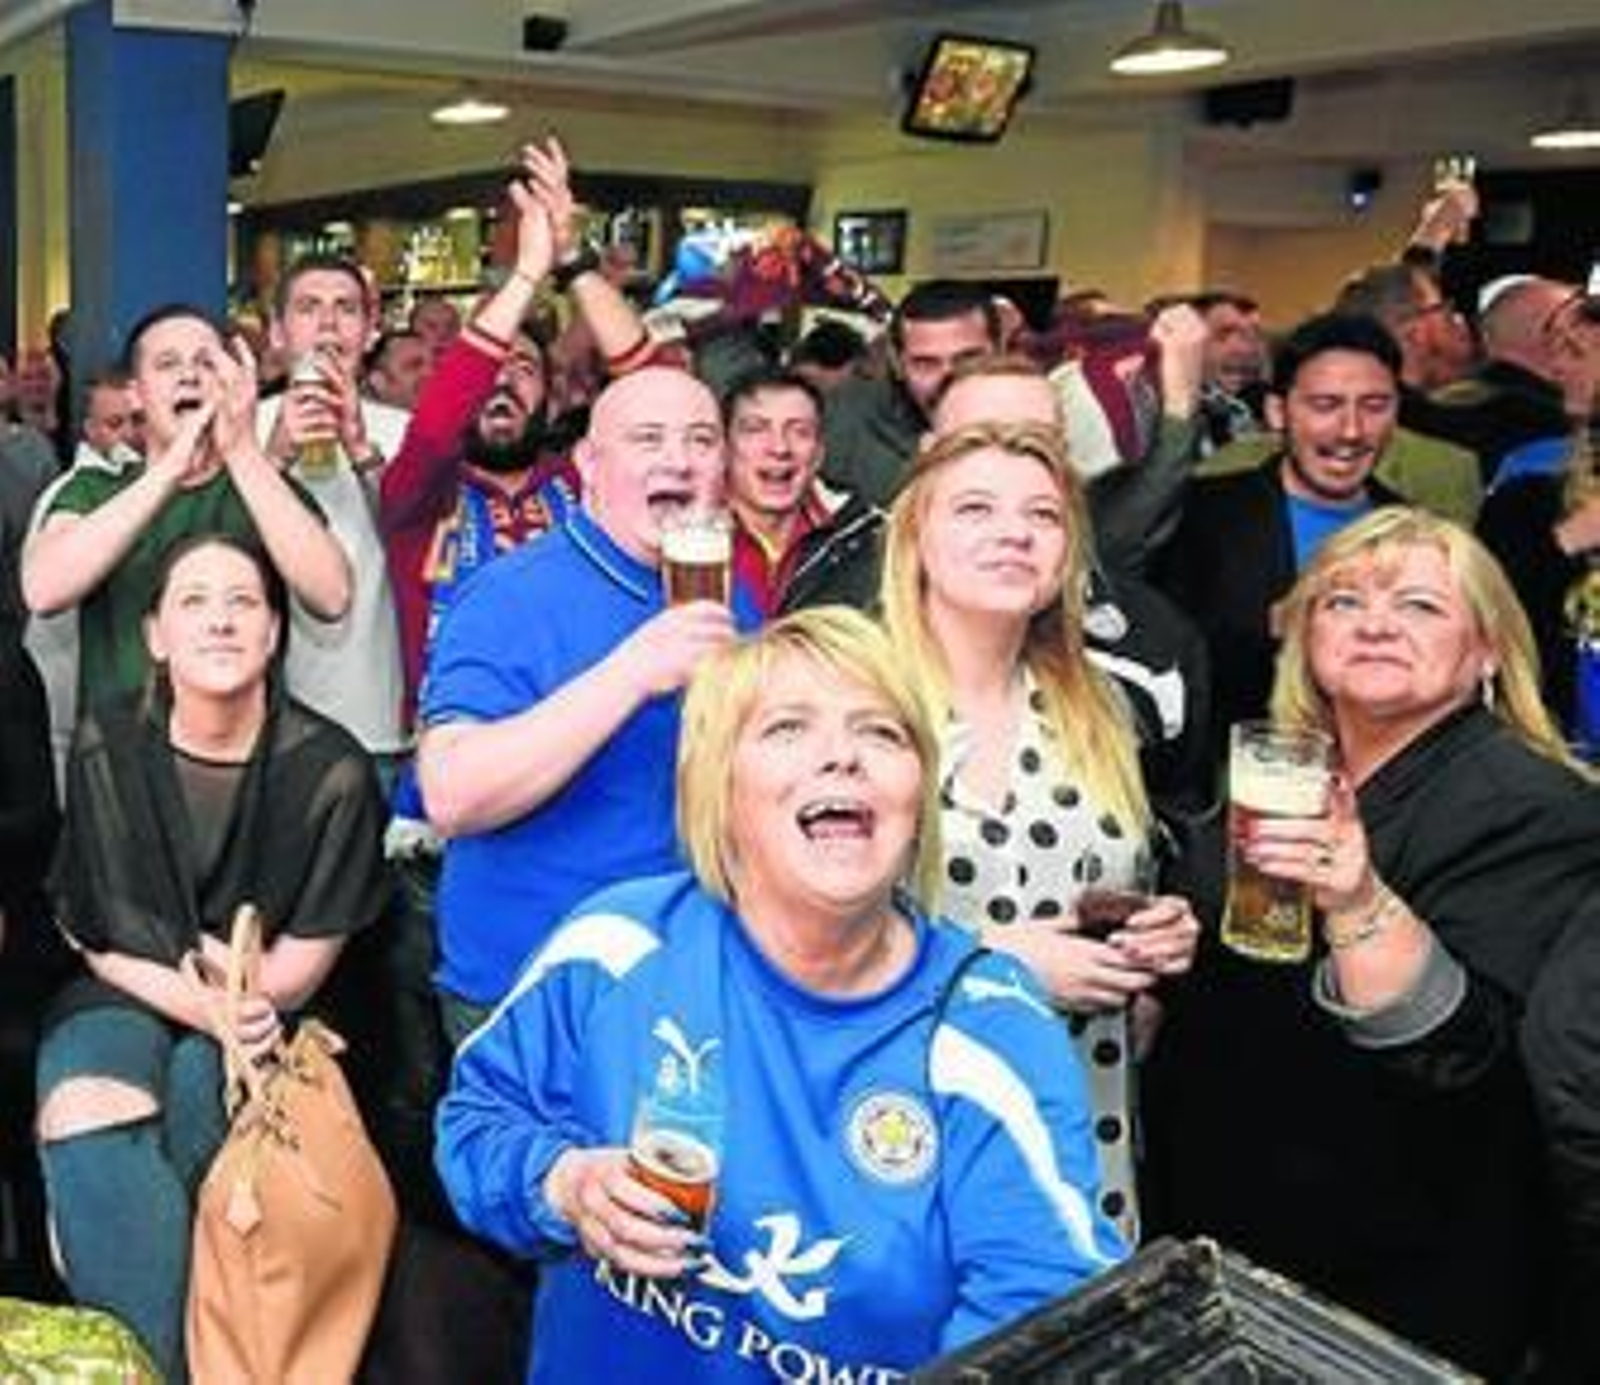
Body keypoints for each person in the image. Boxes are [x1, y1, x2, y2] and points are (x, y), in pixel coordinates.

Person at [435, 607, 1125, 1383]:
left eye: (882, 732)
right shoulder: (619, 944)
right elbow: (478, 1121)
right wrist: (561, 1183)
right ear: (718, 789)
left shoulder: (989, 1027)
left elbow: (1043, 1313)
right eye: (788, 727)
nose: (842, 755)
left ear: (919, 799)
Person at [1144, 508, 1600, 1379]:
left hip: (1394, 1282)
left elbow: (1465, 1057)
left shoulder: (1537, 808)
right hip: (1225, 1239)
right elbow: (1229, 983)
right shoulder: (1282, 773)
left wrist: (1357, 900)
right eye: (1342, 601)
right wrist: (1150, 953)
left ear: (1489, 650)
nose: (1376, 623)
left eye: (1421, 605)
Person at [33, 534, 390, 1381]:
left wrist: (224, 993)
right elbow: (99, 933)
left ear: (274, 632)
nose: (220, 620)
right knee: (86, 1102)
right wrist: (207, 993)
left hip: (274, 1008)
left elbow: (296, 967)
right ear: (155, 635)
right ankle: (152, 1366)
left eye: (243, 602)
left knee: (203, 1102)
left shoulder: (333, 768)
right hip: (132, 984)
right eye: (193, 601)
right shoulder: (110, 738)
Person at [879, 420, 1200, 1243]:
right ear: (916, 539)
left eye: (1044, 515)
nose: (1015, 531)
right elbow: (776, 935)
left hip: (1080, 1130)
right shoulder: (850, 699)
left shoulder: (1106, 706)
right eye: (976, 508)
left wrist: (1155, 934)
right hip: (897, 1126)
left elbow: (1109, 888)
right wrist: (988, 962)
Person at [416, 363, 758, 1040]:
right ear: (589, 465)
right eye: (648, 439)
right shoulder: (509, 594)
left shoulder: (730, 595)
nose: (678, 460)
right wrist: (632, 671)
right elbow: (451, 793)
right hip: (537, 990)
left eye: (700, 440)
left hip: (689, 976)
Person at [21, 304, 350, 710]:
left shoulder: (264, 489)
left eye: (206, 363)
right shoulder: (94, 489)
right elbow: (42, 591)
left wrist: (243, 451)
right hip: (119, 744)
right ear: (135, 394)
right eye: (167, 364)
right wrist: (171, 466)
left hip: (247, 743)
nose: (189, 375)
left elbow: (333, 597)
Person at [1156, 311, 1408, 738]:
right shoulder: (1202, 514)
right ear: (1277, 411)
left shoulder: (1415, 535)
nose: (1351, 430)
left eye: (1374, 406)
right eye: (1325, 405)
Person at [259, 250, 410, 759]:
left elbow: (427, 548)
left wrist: (360, 446)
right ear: (277, 332)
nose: (328, 324)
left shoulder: (404, 432)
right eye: (308, 308)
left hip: (376, 719)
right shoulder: (239, 429)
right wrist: (273, 458)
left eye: (346, 308)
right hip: (263, 724)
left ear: (370, 332)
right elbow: (216, 546)